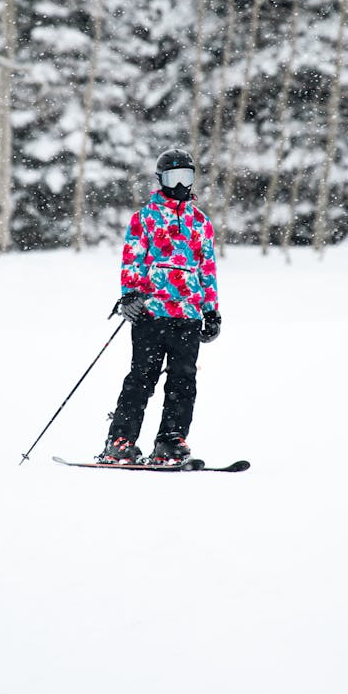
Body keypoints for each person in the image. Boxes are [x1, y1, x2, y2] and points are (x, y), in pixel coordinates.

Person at [99, 148, 222, 465]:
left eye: (187, 177)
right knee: (142, 378)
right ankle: (120, 441)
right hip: (152, 313)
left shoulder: (200, 223)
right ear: (161, 180)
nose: (180, 185)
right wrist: (130, 294)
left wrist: (211, 310)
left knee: (183, 382)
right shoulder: (145, 218)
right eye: (173, 178)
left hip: (188, 316)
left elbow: (206, 269)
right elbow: (132, 258)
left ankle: (170, 441)